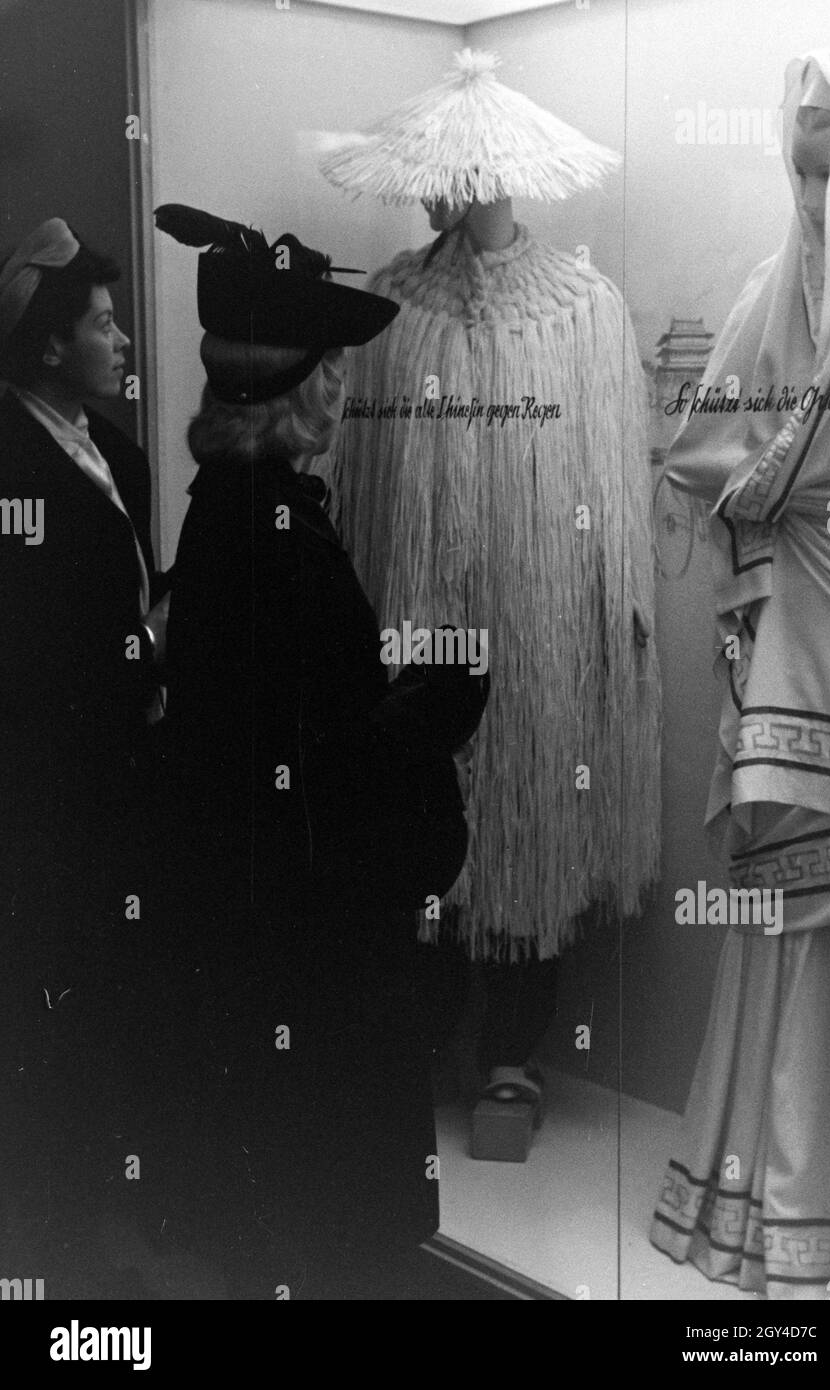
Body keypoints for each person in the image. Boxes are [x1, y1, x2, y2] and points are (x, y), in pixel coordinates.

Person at [320, 50, 660, 1144]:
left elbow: (611, 485)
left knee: (531, 830)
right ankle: (416, 1043)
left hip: (539, 629)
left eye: (454, 176)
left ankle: (512, 1054)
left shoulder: (585, 312)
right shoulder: (385, 311)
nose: (439, 193)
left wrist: (618, 621)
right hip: (415, 625)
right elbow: (356, 485)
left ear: (494, 177)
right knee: (421, 825)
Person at [154, 204, 489, 1298]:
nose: (346, 386)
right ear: (308, 387)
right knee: (340, 1215)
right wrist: (440, 703)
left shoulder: (228, 508)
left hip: (267, 928)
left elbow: (277, 724)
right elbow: (324, 759)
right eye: (336, 368)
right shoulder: (277, 528)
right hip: (317, 940)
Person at [650, 50, 830, 1299]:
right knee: (793, 918)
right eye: (799, 162)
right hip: (793, 637)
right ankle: (775, 1211)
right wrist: (776, 492)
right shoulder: (763, 292)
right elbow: (690, 454)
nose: (815, 189)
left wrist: (795, 485)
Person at [0, 218, 170, 1293]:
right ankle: (50, 1229)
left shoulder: (117, 448)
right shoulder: (10, 461)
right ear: (52, 347)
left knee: (116, 984)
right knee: (50, 991)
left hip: (122, 767)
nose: (120, 341)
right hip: (48, 781)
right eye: (102, 326)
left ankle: (109, 1196)